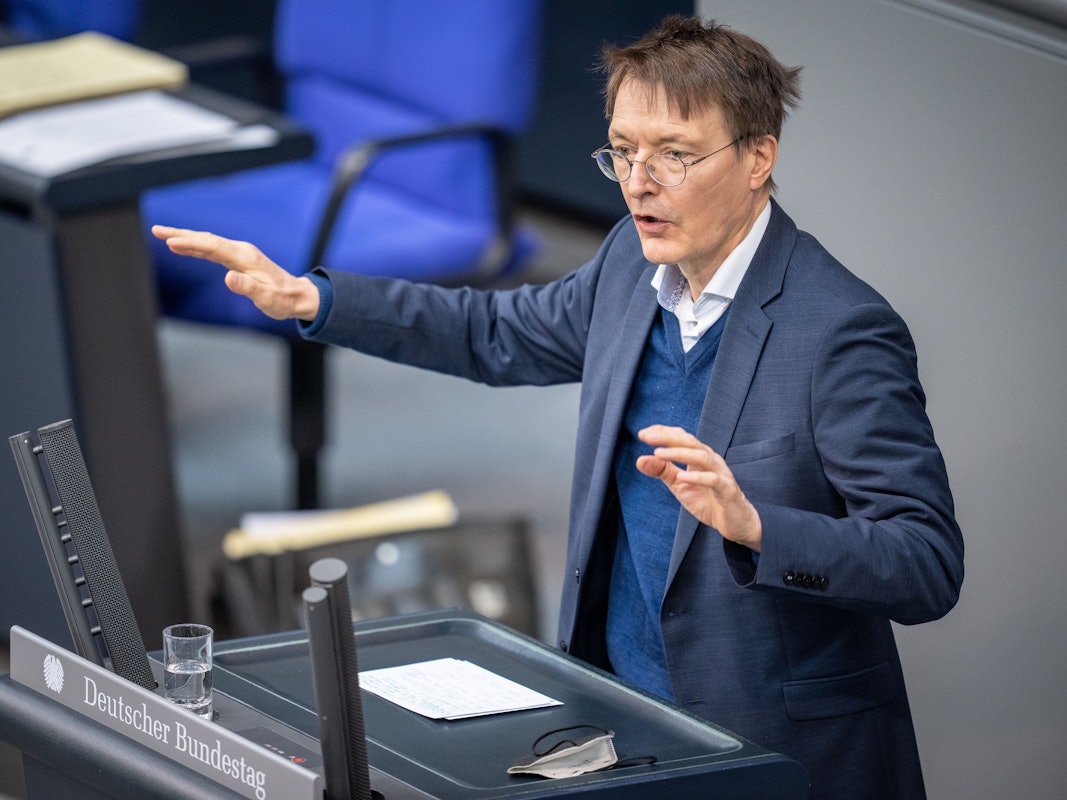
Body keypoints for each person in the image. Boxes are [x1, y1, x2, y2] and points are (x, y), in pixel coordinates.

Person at [152, 15, 963, 799]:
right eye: (621, 152)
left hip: (771, 744)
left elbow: (924, 564)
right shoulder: (627, 264)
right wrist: (312, 299)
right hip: (623, 711)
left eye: (673, 156)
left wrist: (755, 526)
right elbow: (492, 332)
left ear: (757, 158)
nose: (639, 185)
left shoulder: (840, 330)